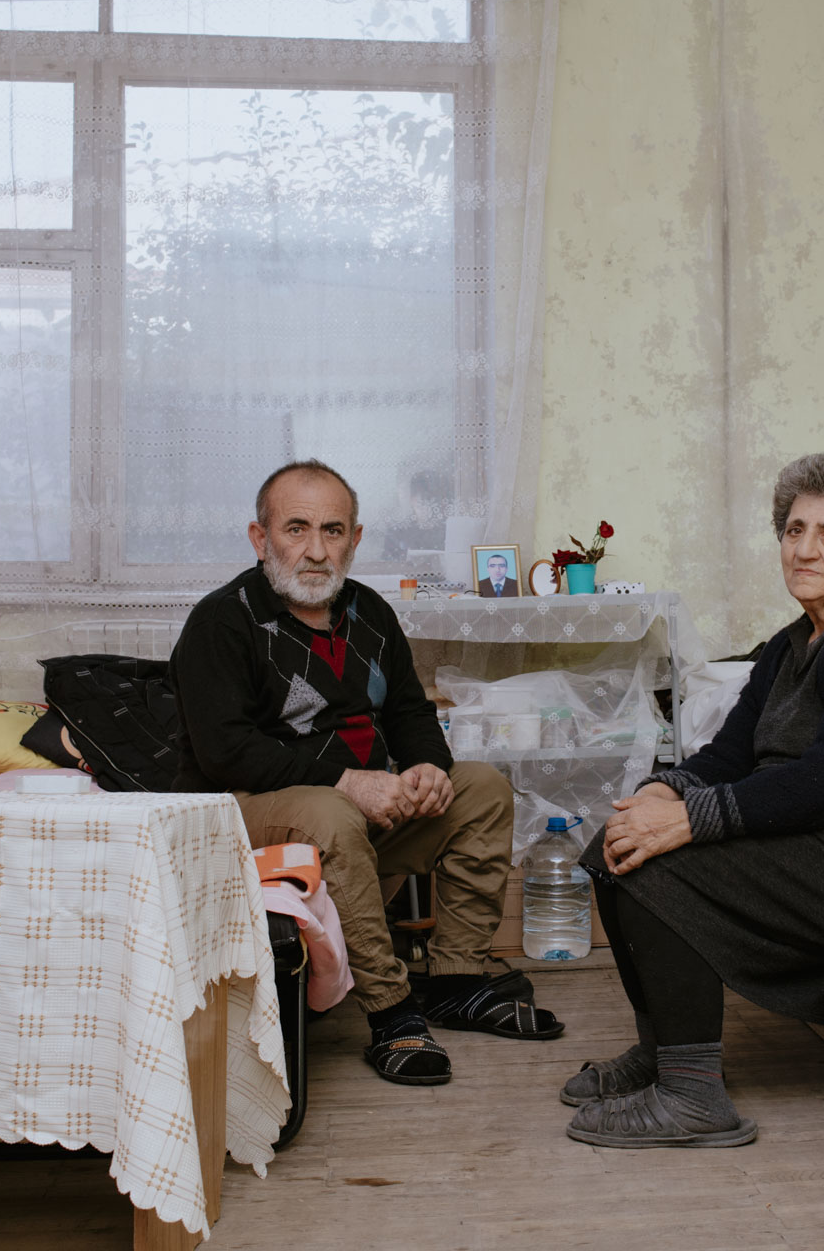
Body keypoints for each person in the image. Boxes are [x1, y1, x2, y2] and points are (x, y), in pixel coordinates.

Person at [561, 451, 824, 1149]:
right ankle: (665, 1049)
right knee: (615, 844)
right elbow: (731, 756)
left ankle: (693, 1095)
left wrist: (691, 823)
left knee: (660, 864)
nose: (804, 549)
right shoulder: (793, 645)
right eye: (795, 530)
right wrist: (657, 793)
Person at [169, 460, 562, 1087]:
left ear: (355, 538)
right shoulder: (223, 621)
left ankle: (455, 980)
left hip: (360, 809)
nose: (316, 550)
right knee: (331, 811)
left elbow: (409, 710)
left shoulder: (370, 612)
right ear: (259, 537)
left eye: (333, 530)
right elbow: (226, 751)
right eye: (296, 529)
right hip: (249, 809)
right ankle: (390, 1010)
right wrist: (349, 781)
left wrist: (431, 767)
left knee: (482, 788)